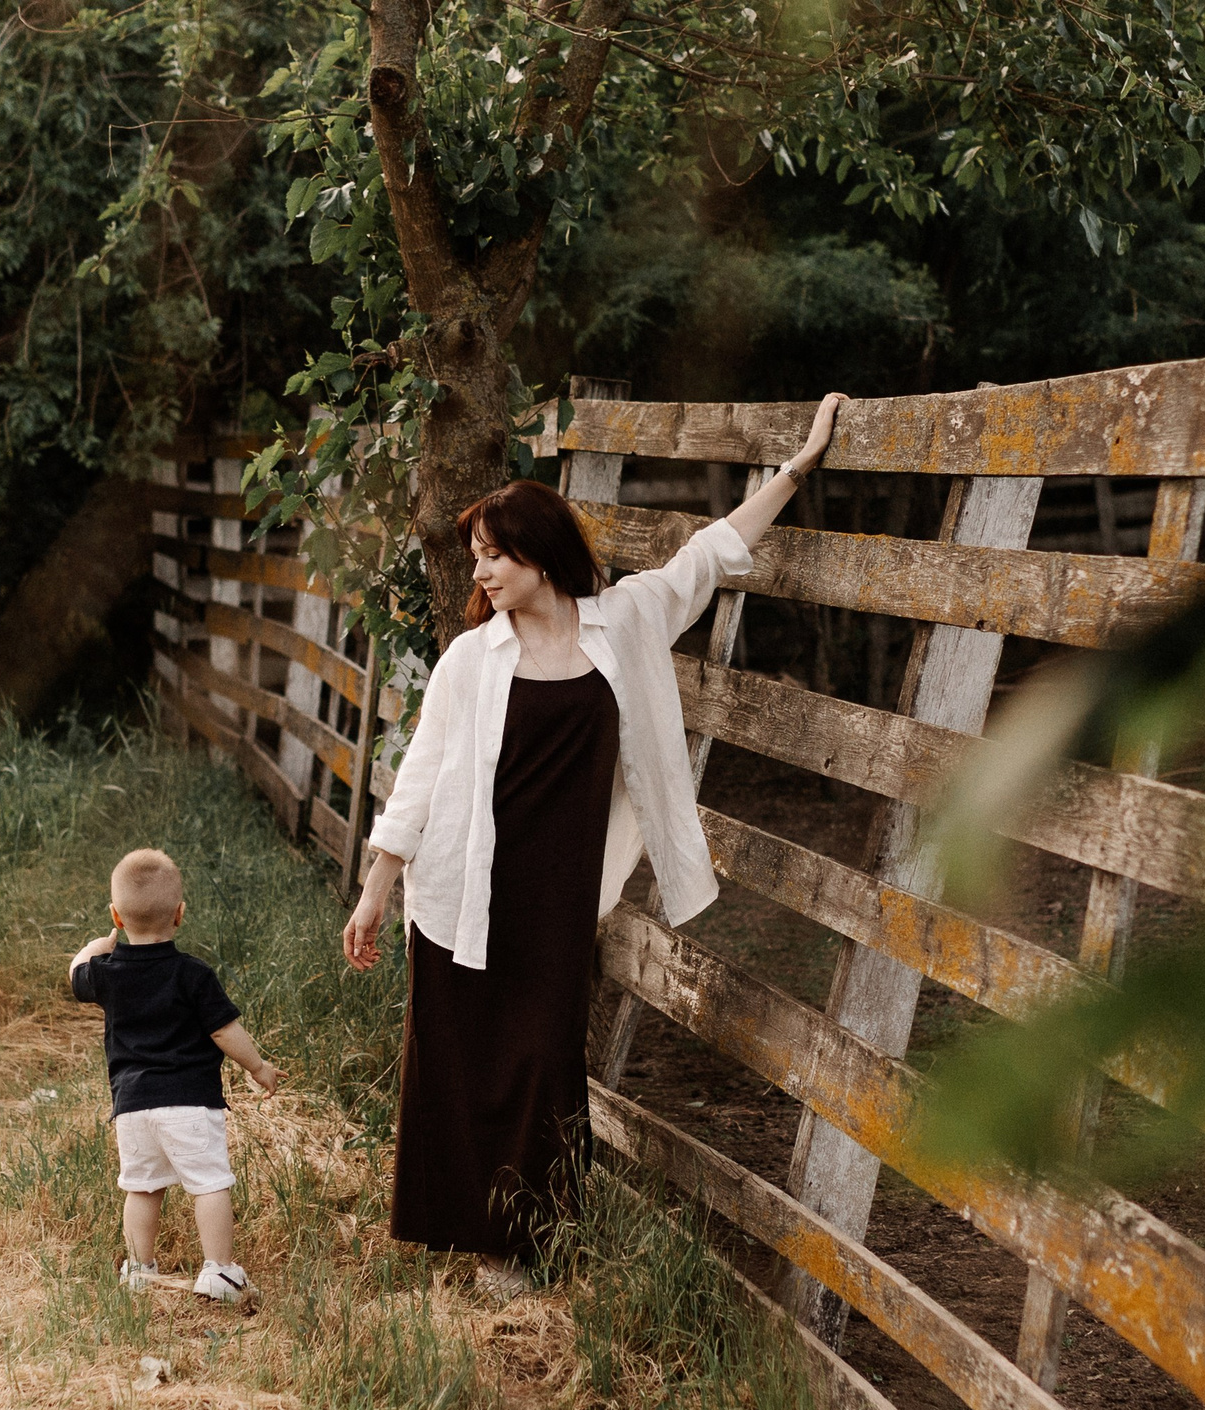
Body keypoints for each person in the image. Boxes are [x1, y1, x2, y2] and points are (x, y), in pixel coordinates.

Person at [343, 394, 847, 1301]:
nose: (483, 570)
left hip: (561, 890)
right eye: (476, 558)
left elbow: (713, 552)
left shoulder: (628, 620)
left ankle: (530, 1245)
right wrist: (377, 887)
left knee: (543, 1054)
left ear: (538, 551)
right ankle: (469, 1239)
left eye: (495, 554)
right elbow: (419, 776)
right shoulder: (469, 658)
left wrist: (801, 464)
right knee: (458, 1060)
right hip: (464, 885)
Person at [71, 847, 283, 1303]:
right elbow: (225, 1031)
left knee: (143, 1188)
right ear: (180, 914)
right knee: (209, 1184)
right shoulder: (193, 975)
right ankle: (221, 1273)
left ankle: (139, 1270)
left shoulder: (107, 973)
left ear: (117, 916)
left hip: (132, 1107)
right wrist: (259, 1067)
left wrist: (103, 942)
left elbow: (77, 971)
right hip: (189, 1102)